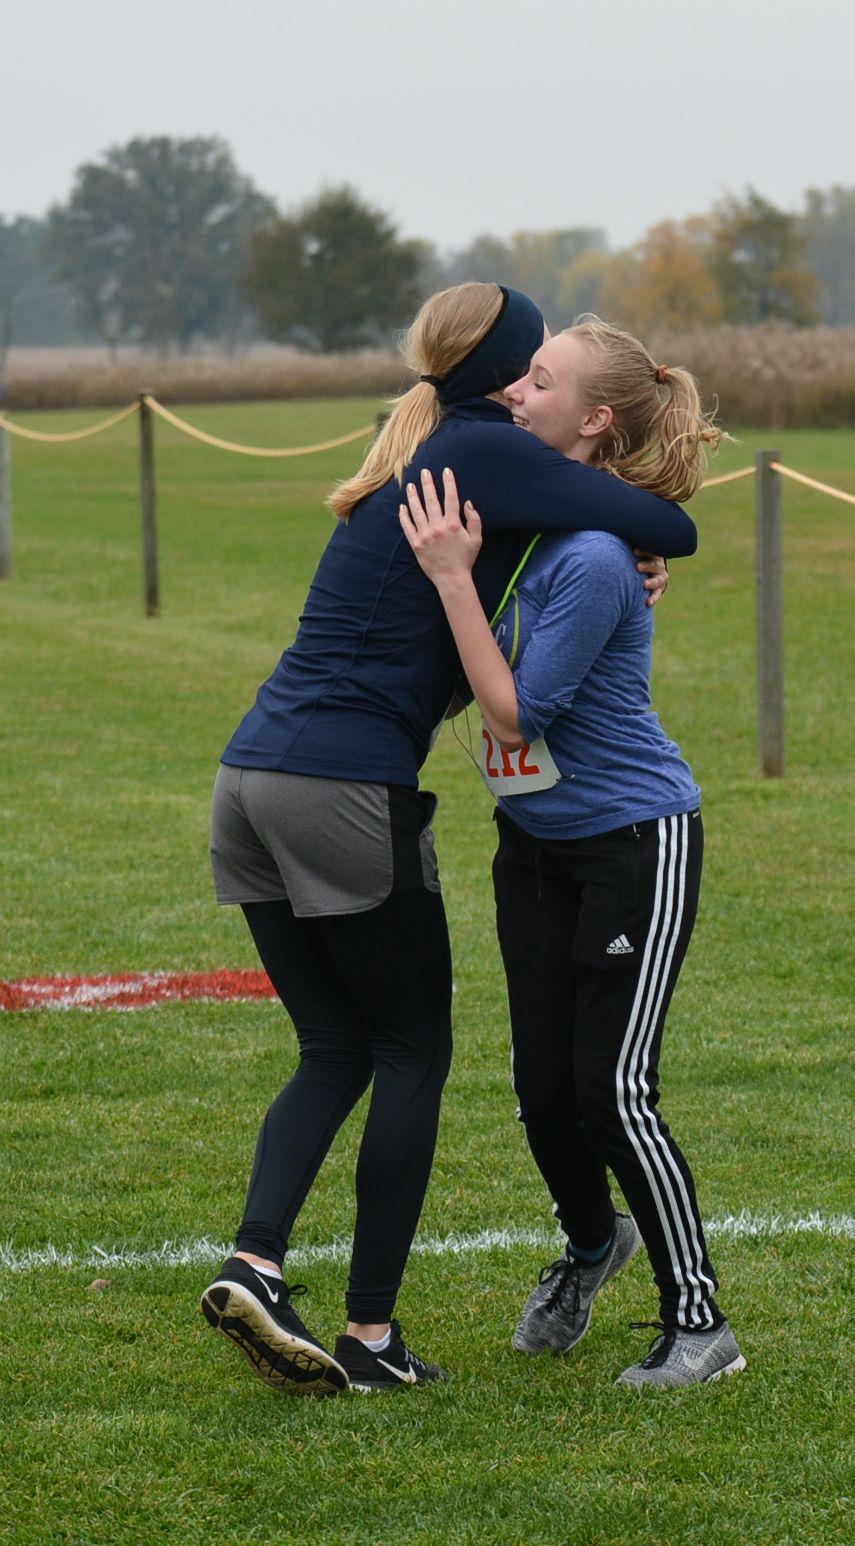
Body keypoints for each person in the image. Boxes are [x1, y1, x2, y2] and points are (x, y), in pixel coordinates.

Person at [200, 284, 698, 1396]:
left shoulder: (433, 451)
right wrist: (637, 538)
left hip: (248, 777)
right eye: (529, 368)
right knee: (411, 1050)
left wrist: (616, 558)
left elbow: (563, 564)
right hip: (340, 788)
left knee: (333, 1046)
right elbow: (676, 521)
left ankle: (254, 1263)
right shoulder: (482, 450)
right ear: (500, 373)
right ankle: (371, 1337)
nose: (529, 390)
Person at [400, 318, 745, 1388]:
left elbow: (515, 717)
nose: (514, 391)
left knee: (613, 1089)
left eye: (538, 380)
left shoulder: (595, 556)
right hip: (534, 846)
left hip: (632, 843)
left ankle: (700, 1325)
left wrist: (453, 581)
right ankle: (594, 1246)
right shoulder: (541, 529)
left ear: (595, 420)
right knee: (543, 1091)